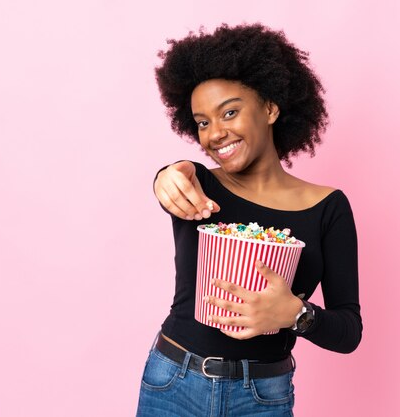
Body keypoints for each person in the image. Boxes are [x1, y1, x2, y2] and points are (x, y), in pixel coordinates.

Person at [136, 23, 362, 417]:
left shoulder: (329, 208)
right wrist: (165, 176)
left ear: (270, 108)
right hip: (173, 381)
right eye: (203, 122)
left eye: (230, 112)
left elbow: (348, 332)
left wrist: (295, 313)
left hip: (262, 396)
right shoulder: (199, 185)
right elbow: (176, 177)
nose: (215, 134)